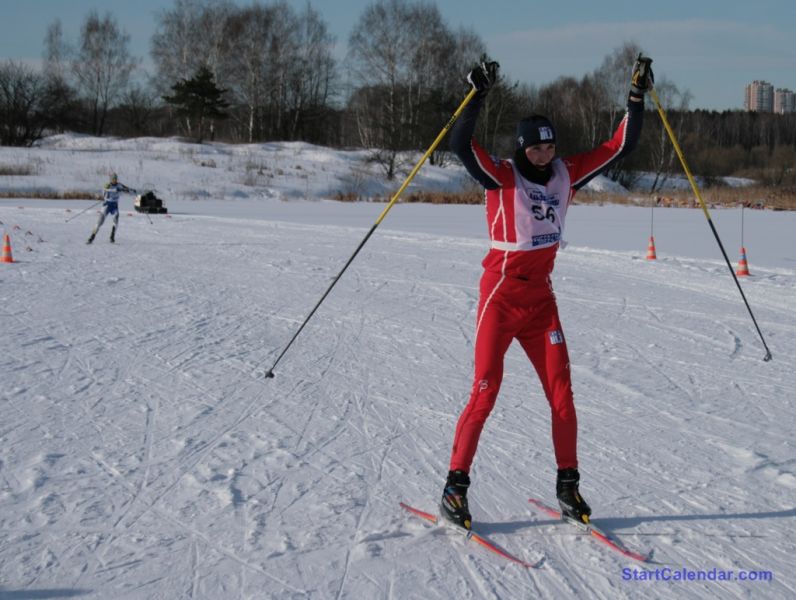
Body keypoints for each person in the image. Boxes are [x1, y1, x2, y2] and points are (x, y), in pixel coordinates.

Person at [440, 55, 653, 530]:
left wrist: (635, 98)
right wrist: (476, 93)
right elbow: (459, 142)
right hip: (500, 296)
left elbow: (621, 145)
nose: (546, 154)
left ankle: (568, 486)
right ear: (522, 149)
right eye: (537, 148)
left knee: (562, 395)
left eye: (551, 146)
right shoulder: (501, 176)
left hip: (540, 302)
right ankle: (455, 486)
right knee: (485, 390)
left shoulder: (566, 174)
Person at [87, 173, 136, 244]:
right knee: (99, 223)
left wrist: (131, 190)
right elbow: (105, 192)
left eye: (116, 179)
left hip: (114, 206)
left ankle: (112, 237)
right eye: (113, 179)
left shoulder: (119, 185)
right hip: (106, 205)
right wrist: (115, 190)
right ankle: (91, 237)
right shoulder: (107, 185)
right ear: (111, 179)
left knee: (116, 221)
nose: (115, 180)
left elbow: (126, 189)